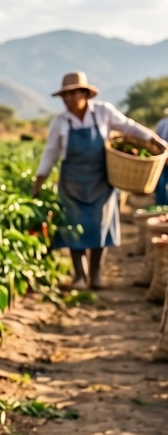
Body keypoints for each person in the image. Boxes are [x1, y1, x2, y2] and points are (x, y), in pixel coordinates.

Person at [32, 71, 167, 289]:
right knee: (73, 228)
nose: (67, 99)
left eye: (72, 94)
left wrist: (155, 140)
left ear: (84, 94)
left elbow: (129, 126)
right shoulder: (60, 122)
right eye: (65, 95)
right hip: (72, 182)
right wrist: (39, 182)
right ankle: (79, 276)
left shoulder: (103, 112)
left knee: (100, 228)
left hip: (101, 180)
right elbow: (50, 153)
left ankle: (96, 275)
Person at [154, 108, 168, 206]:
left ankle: (160, 205)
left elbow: (156, 140)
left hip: (161, 157)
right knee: (162, 182)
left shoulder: (161, 123)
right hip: (163, 157)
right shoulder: (162, 123)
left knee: (161, 182)